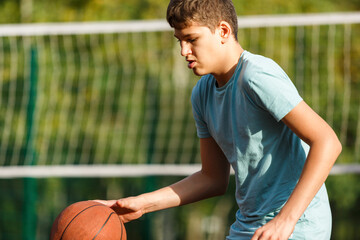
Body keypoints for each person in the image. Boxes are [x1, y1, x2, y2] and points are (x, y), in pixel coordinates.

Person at [97, 0, 342, 239]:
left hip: (297, 226)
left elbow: (327, 142)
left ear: (223, 31)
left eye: (191, 39)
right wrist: (140, 204)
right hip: (249, 226)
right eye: (179, 41)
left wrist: (285, 221)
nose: (184, 51)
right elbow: (212, 178)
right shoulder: (202, 93)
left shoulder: (256, 75)